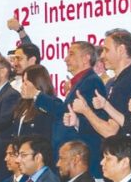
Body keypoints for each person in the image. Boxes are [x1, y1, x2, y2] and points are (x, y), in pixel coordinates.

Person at [35, 41, 106, 173]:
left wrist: (36, 95)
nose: (65, 59)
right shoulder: (82, 82)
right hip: (72, 159)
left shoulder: (91, 81)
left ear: (86, 58)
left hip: (81, 162)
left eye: (71, 54)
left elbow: (67, 113)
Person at [13, 65, 58, 140]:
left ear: (37, 83)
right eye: (22, 82)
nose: (21, 87)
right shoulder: (22, 103)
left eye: (25, 83)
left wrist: (36, 94)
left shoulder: (51, 103)